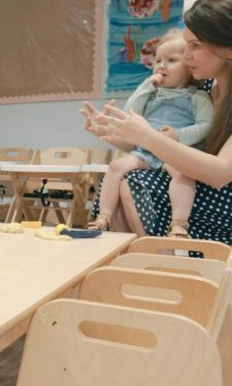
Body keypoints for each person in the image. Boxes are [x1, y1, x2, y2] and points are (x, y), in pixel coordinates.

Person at [84, 0, 232, 245]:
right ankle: (140, 271)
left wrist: (148, 137)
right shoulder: (206, 83)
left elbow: (220, 172)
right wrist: (115, 132)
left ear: (231, 48)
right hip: (205, 181)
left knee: (136, 184)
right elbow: (165, 149)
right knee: (121, 177)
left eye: (195, 45)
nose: (186, 55)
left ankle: (163, 272)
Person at [84, 29, 213, 238]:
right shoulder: (151, 94)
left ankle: (179, 223)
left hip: (175, 153)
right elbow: (131, 112)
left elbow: (206, 126)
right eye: (158, 60)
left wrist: (178, 135)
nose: (162, 65)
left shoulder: (197, 97)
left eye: (171, 60)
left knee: (182, 175)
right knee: (116, 166)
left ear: (189, 67)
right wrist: (145, 85)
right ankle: (103, 217)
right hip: (146, 152)